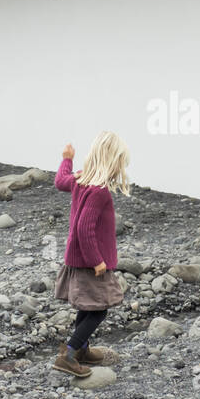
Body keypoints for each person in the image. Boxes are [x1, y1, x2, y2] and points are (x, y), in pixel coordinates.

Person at [51, 133, 129, 377]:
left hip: (79, 259)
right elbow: (85, 229)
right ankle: (70, 354)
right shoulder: (99, 192)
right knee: (99, 310)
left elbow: (60, 181)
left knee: (88, 306)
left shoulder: (79, 179)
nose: (121, 167)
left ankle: (82, 348)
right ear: (111, 162)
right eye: (120, 162)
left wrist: (67, 160)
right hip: (90, 262)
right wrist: (97, 261)